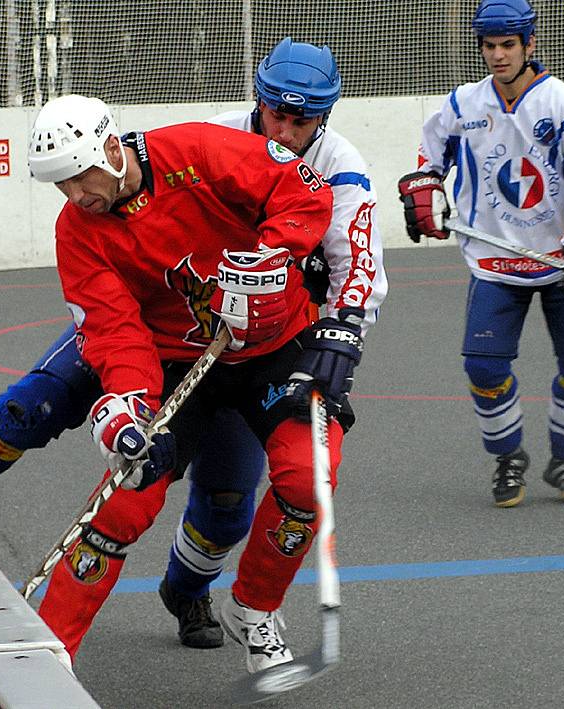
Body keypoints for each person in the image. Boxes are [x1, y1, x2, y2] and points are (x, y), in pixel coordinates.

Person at [27, 90, 357, 676]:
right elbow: (113, 329)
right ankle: (45, 656)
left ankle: (254, 607)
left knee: (309, 477)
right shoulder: (79, 230)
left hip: (276, 346)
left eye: (79, 178)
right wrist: (125, 407)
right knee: (127, 494)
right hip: (180, 362)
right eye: (62, 186)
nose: (75, 196)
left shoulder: (196, 149)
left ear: (109, 147)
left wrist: (269, 259)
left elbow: (305, 191)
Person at [158, 36, 387, 651]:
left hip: (280, 347)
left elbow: (357, 269)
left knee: (245, 497)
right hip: (199, 341)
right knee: (200, 489)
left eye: (301, 119)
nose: (283, 132)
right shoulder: (212, 137)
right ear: (256, 101)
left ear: (326, 117)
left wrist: (339, 341)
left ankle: (209, 592)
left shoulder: (342, 165)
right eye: (273, 113)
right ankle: (177, 592)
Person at [398, 0, 564, 508]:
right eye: (490, 46)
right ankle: (508, 458)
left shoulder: (563, 105)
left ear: (530, 45)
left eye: (508, 46)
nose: (497, 56)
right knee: (484, 368)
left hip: (561, 261)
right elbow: (429, 156)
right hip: (494, 262)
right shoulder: (462, 106)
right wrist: (425, 188)